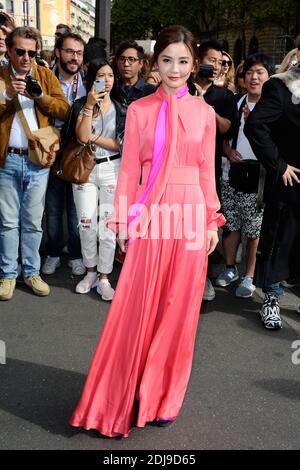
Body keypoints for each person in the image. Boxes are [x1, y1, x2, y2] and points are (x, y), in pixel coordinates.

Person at [69, 25, 224, 437]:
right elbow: (128, 174)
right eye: (167, 60)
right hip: (151, 213)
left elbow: (208, 171)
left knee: (180, 310)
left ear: (194, 65)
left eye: (183, 61)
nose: (175, 69)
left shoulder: (205, 114)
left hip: (191, 213)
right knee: (139, 306)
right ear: (155, 62)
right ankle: (130, 385)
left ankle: (164, 395)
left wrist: (212, 219)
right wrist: (121, 220)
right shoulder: (139, 110)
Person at [0, 27, 69, 301]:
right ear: (9, 51)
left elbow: (64, 110)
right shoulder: (2, 77)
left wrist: (40, 97)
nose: (27, 57)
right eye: (21, 52)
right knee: (7, 222)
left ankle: (31, 272)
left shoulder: (44, 75)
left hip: (38, 160)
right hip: (7, 159)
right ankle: (7, 274)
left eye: (32, 52)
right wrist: (6, 97)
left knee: (32, 221)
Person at [244, 43, 300, 330]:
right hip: (290, 183)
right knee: (280, 241)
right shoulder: (280, 87)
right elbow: (255, 126)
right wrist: (279, 165)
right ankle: (272, 299)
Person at [216, 53, 272, 298]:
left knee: (254, 230)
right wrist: (227, 150)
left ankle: (249, 275)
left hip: (259, 175)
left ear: (269, 77)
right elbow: (224, 135)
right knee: (231, 224)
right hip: (233, 172)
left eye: (260, 72)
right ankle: (230, 268)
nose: (254, 77)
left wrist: (255, 125)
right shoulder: (236, 101)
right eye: (250, 72)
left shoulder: (272, 106)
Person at [72, 58, 125, 300]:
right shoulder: (82, 105)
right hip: (86, 170)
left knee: (107, 227)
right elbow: (82, 138)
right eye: (101, 76)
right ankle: (90, 271)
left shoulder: (122, 107)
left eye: (110, 75)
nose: (107, 80)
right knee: (86, 224)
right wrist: (90, 106)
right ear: (92, 79)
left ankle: (104, 277)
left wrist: (93, 135)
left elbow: (120, 144)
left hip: (113, 168)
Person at [192, 39, 238, 301]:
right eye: (210, 60)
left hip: (208, 171)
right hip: (180, 172)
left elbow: (226, 128)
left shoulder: (223, 96)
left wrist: (203, 106)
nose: (216, 66)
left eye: (220, 62)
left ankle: (205, 277)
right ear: (198, 61)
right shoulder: (182, 88)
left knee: (207, 227)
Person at [41, 32, 86, 277]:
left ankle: (76, 254)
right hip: (51, 151)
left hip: (79, 153)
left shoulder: (89, 80)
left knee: (78, 208)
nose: (74, 57)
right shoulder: (45, 78)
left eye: (78, 53)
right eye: (69, 51)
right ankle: (54, 252)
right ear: (58, 52)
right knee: (54, 207)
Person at [112, 40, 156, 110]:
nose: (126, 64)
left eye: (131, 59)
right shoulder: (111, 89)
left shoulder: (150, 91)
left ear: (141, 64)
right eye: (122, 59)